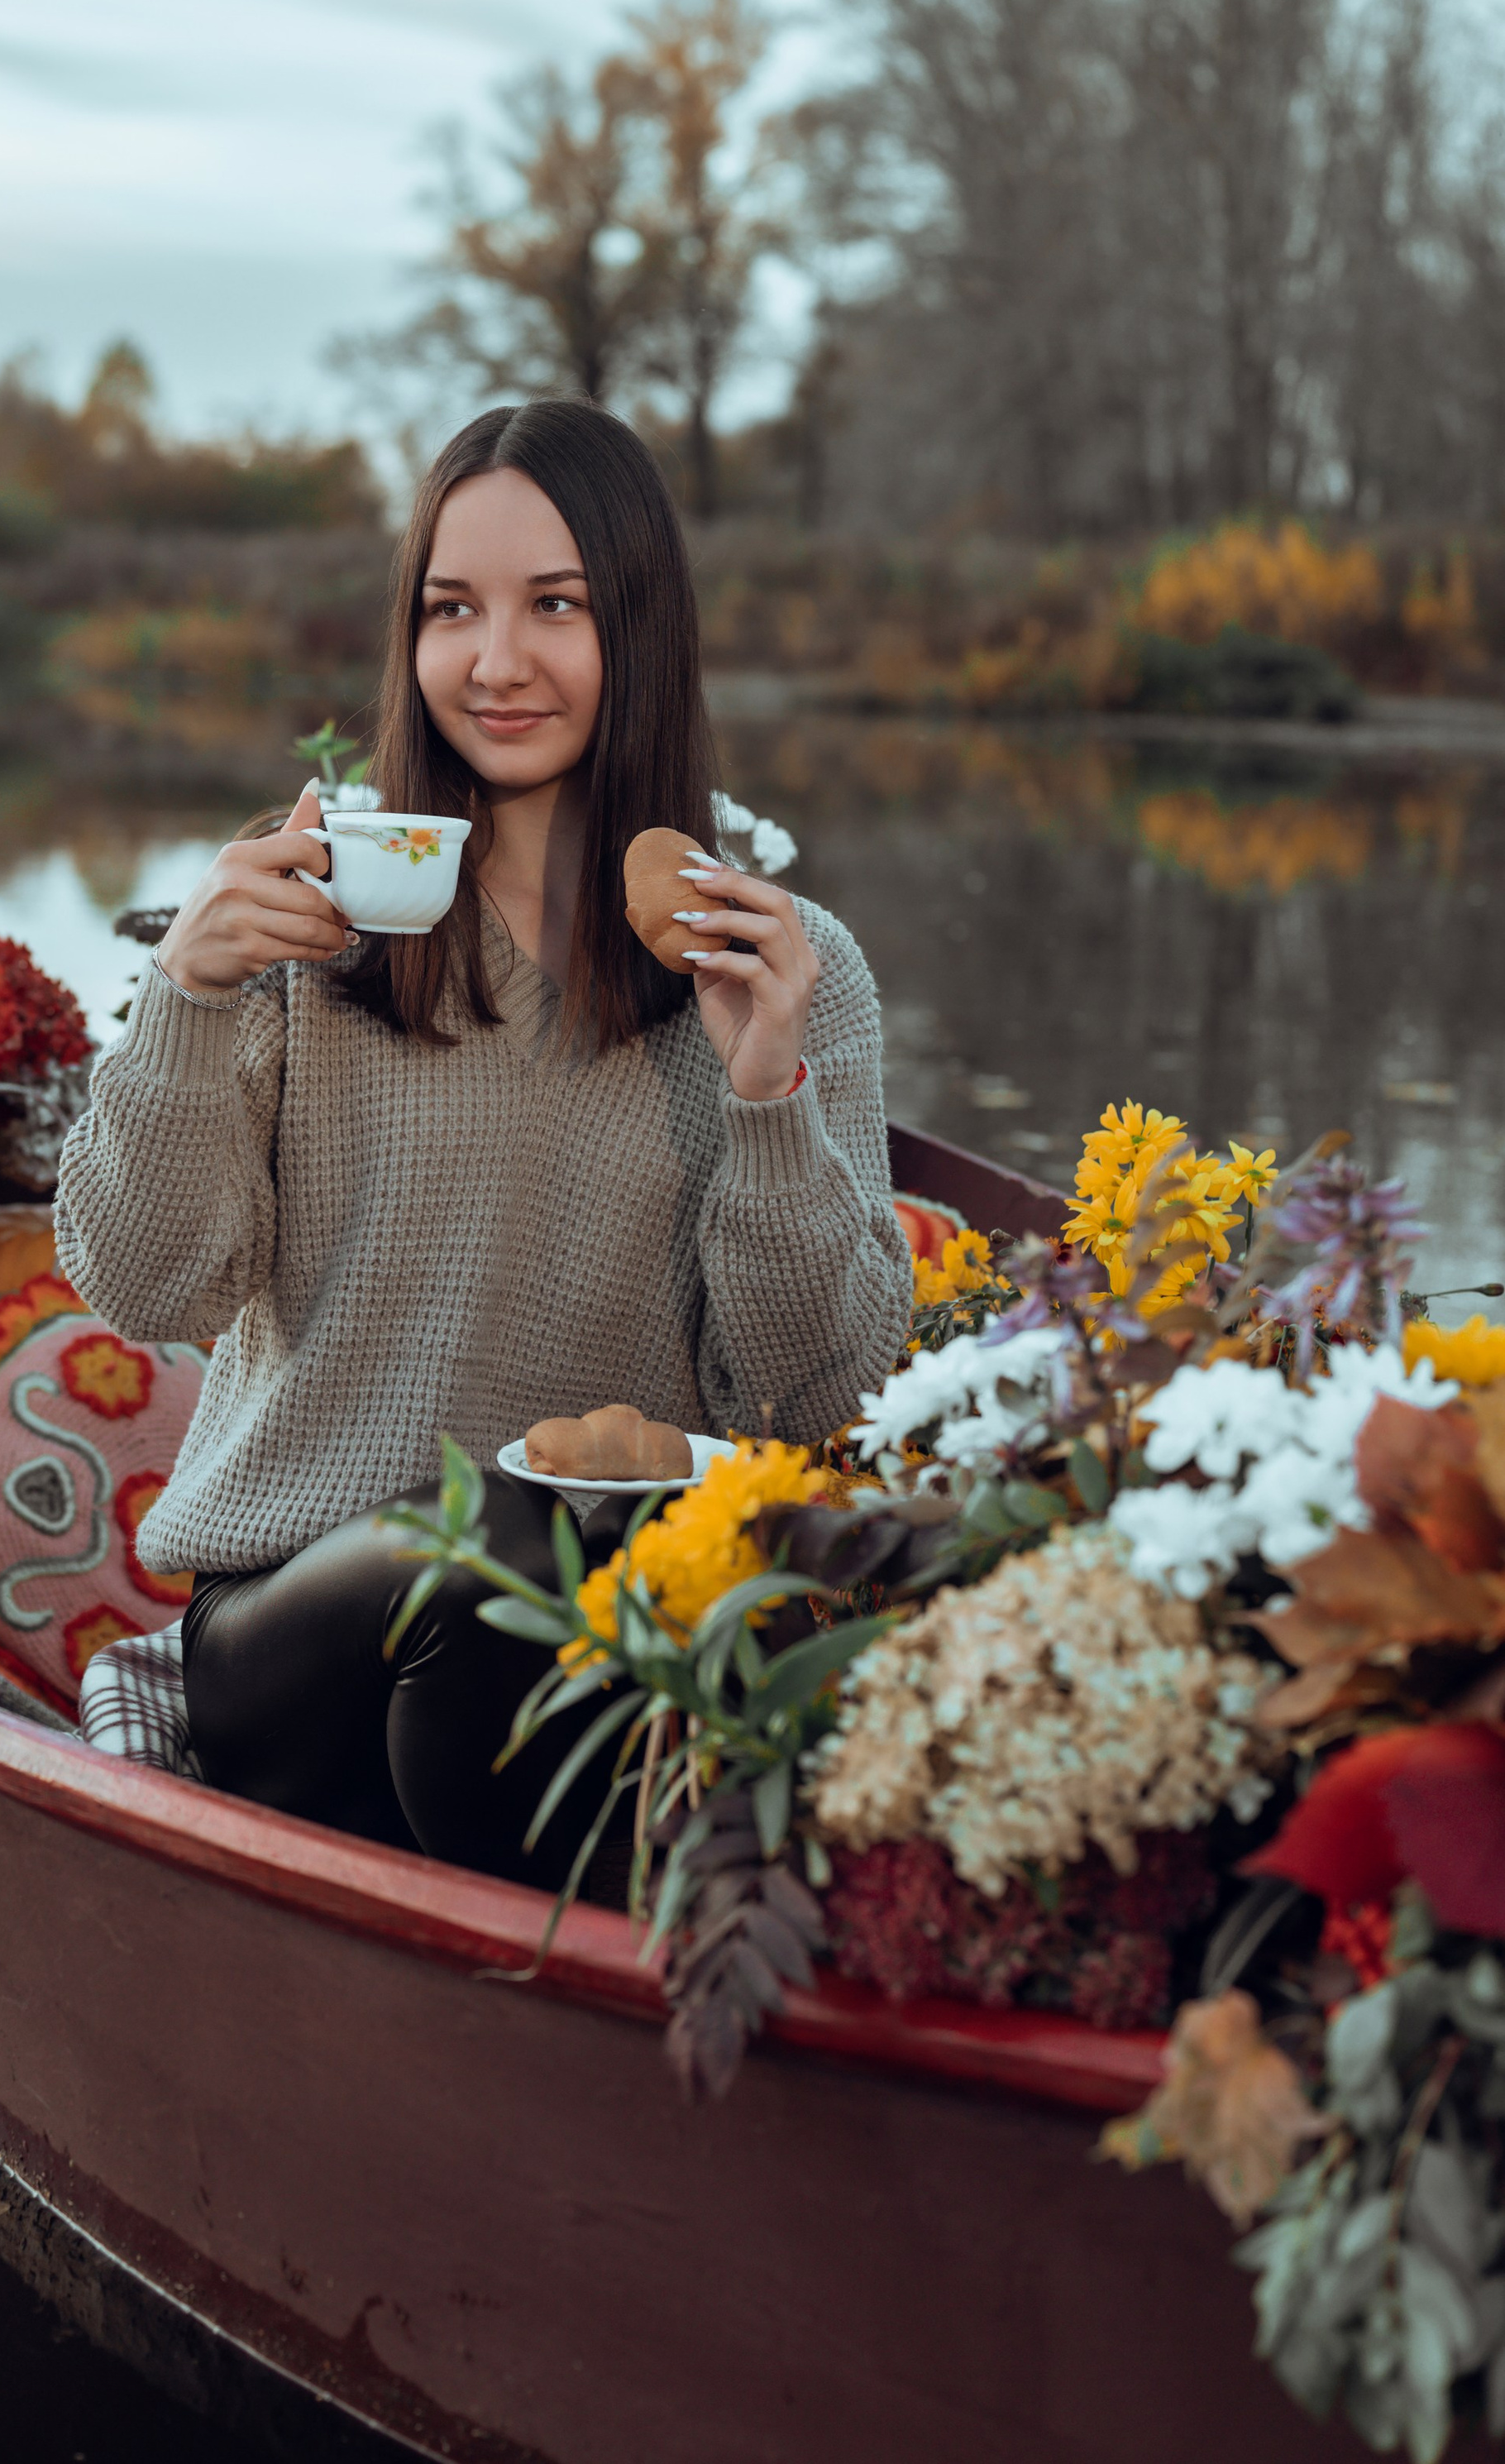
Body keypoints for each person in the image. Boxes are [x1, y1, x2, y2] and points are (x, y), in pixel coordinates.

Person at [55, 401, 909, 1887]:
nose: (495, 662)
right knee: (500, 1546)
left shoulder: (788, 969)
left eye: (555, 606)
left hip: (615, 1646)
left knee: (568, 1591)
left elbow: (819, 1398)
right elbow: (143, 1286)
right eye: (452, 609)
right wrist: (186, 998)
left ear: (643, 630)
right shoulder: (307, 929)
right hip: (294, 1635)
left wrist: (768, 1095)